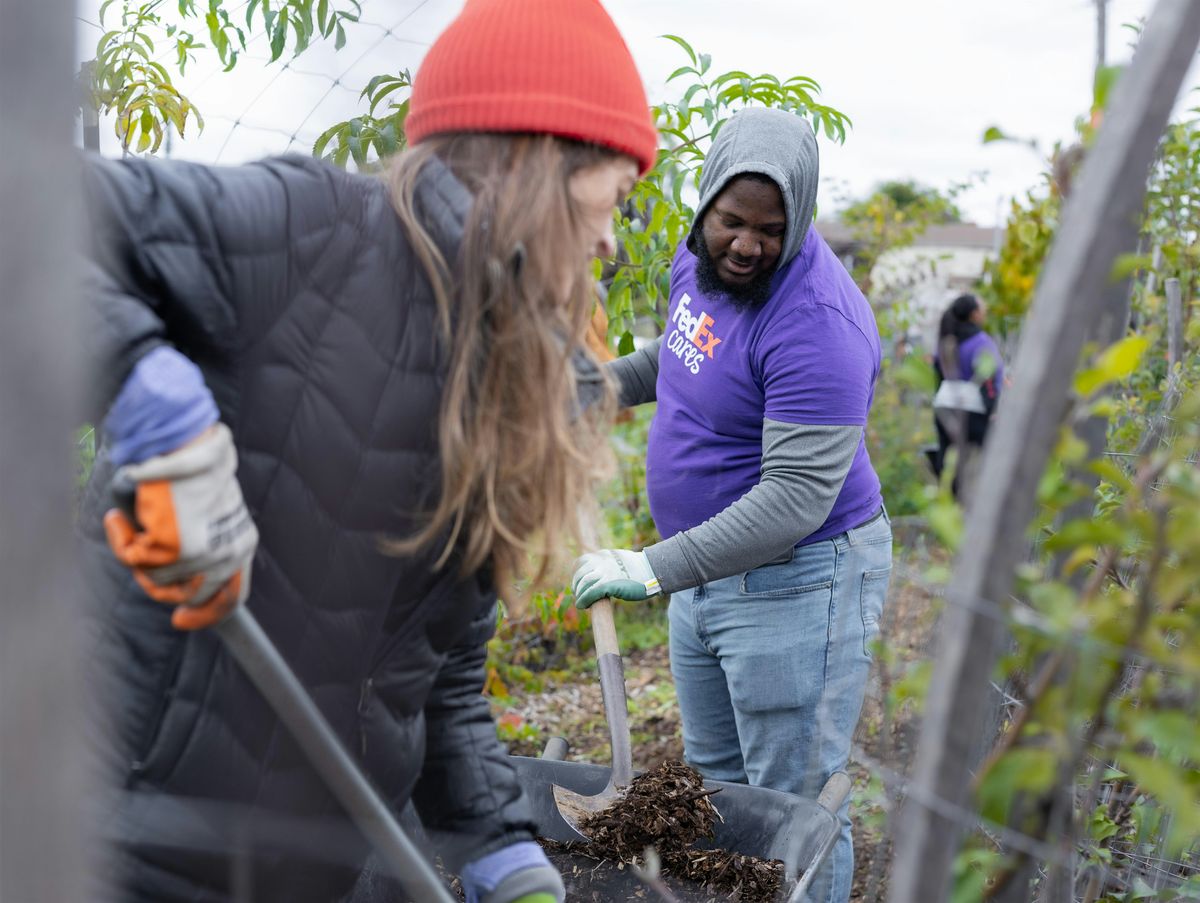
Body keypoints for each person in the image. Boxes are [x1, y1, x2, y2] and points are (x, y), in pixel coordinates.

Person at [76, 0, 657, 900]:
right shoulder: (310, 234)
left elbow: (438, 673)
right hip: (109, 833)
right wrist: (153, 398)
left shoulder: (515, 381)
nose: (614, 238)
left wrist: (502, 851)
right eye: (613, 196)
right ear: (536, 160)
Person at [571, 108, 892, 903]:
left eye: (771, 230)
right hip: (706, 574)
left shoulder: (819, 325)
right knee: (715, 788)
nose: (746, 245)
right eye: (731, 222)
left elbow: (793, 499)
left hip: (798, 583)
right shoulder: (701, 264)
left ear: (800, 219)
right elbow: (682, 355)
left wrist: (653, 567)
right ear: (707, 202)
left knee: (792, 807)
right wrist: (600, 389)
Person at [930, 293, 1004, 493]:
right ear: (974, 314)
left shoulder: (946, 339)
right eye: (982, 307)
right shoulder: (981, 342)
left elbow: (938, 372)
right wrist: (992, 409)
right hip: (974, 411)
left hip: (944, 406)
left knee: (950, 468)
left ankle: (950, 503)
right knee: (978, 469)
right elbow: (989, 379)